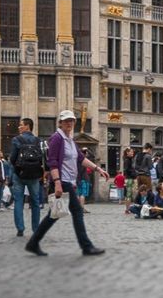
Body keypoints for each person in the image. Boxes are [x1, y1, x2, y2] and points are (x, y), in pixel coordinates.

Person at [24, 110, 108, 257]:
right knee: (76, 212)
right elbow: (52, 162)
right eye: (66, 121)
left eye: (71, 121)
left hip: (68, 181)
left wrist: (97, 168)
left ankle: (33, 242)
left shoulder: (70, 140)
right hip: (62, 182)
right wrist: (57, 183)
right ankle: (86, 246)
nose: (69, 123)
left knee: (54, 215)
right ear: (60, 123)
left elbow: (80, 159)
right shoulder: (57, 138)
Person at [8, 118, 44, 237]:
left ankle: (20, 228)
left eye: (21, 125)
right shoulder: (38, 140)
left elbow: (13, 158)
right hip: (34, 175)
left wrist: (14, 170)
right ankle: (36, 228)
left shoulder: (16, 139)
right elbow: (42, 158)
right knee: (35, 202)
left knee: (19, 201)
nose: (19, 127)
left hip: (19, 174)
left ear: (28, 126)